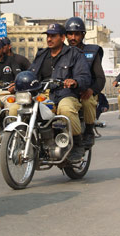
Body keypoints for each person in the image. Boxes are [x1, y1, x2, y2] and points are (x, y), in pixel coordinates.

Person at [28, 23, 91, 162]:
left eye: (53, 36)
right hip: (43, 95)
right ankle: (22, 141)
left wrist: (75, 81)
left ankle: (77, 144)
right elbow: (31, 73)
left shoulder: (75, 54)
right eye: (48, 36)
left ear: (62, 38)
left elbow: (85, 76)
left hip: (65, 94)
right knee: (17, 108)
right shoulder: (41, 55)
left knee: (66, 109)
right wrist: (20, 81)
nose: (49, 39)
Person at [65, 17, 105, 146]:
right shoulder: (61, 52)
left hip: (85, 92)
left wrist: (91, 90)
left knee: (88, 102)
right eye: (70, 34)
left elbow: (100, 78)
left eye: (77, 34)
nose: (73, 37)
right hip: (66, 93)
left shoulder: (92, 52)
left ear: (83, 35)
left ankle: (89, 131)